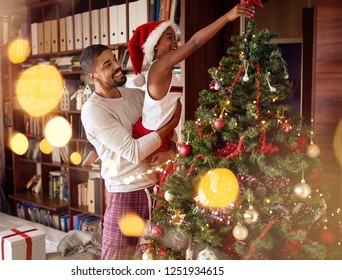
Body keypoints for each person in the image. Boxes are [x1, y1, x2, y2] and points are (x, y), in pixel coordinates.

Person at [79, 44, 181, 260]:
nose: (118, 65)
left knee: (158, 259)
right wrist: (168, 127)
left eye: (115, 59)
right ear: (93, 76)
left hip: (157, 190)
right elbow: (134, 152)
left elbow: (168, 129)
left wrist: (171, 149)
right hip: (125, 195)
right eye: (108, 64)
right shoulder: (93, 110)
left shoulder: (136, 95)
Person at [128, 3, 255, 170]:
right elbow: (194, 43)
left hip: (162, 135)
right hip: (152, 136)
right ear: (155, 45)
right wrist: (227, 17)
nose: (175, 41)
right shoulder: (160, 65)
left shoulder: (163, 68)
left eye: (175, 37)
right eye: (169, 37)